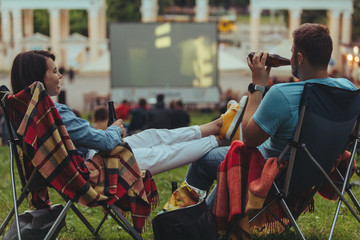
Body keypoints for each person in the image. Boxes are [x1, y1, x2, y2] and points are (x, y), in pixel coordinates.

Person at [185, 23, 358, 210]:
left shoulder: (282, 94)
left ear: (299, 58)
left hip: (276, 175)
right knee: (227, 148)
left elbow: (249, 139)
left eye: (292, 53)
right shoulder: (348, 90)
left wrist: (257, 85)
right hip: (318, 173)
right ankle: (208, 216)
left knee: (203, 160)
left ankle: (193, 218)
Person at [9, 50, 243, 177]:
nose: (60, 76)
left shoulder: (25, 111)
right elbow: (104, 141)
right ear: (38, 78)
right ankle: (220, 138)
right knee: (162, 152)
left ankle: (218, 125)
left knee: (152, 137)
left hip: (84, 161)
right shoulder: (51, 111)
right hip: (92, 167)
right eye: (55, 71)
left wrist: (109, 134)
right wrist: (114, 130)